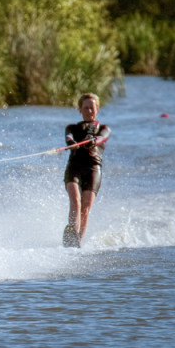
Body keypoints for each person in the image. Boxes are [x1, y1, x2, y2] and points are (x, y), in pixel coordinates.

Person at [62, 93, 110, 248]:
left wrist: (93, 141)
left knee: (86, 208)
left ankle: (78, 243)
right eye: (86, 108)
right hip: (74, 168)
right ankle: (71, 235)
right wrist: (73, 143)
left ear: (97, 109)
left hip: (93, 169)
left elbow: (102, 138)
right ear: (80, 110)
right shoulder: (72, 128)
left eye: (92, 108)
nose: (89, 111)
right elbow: (68, 137)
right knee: (75, 201)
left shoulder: (104, 128)